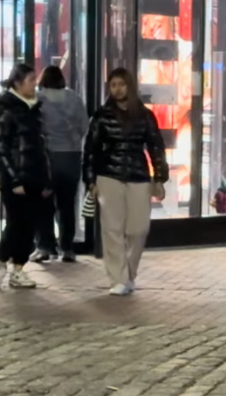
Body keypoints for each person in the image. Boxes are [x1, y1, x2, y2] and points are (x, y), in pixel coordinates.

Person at [83, 68, 168, 296]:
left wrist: (159, 177)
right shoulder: (101, 115)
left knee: (138, 229)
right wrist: (90, 180)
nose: (117, 88)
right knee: (112, 229)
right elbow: (90, 149)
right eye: (113, 85)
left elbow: (156, 146)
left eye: (121, 84)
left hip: (139, 175)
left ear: (129, 86)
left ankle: (129, 273)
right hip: (108, 175)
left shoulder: (145, 115)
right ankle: (118, 278)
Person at [0, 63, 52, 289]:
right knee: (16, 224)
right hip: (16, 178)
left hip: (35, 176)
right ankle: (3, 260)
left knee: (28, 225)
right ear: (18, 83)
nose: (35, 84)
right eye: (31, 80)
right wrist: (14, 178)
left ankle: (18, 270)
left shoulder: (35, 109)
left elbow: (42, 145)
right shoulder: (7, 109)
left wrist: (46, 177)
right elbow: (2, 148)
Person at [31, 65, 89, 263]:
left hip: (48, 158)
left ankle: (45, 247)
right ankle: (67, 248)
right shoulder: (74, 98)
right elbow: (84, 125)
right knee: (67, 205)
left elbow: (34, 128)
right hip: (72, 157)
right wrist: (71, 141)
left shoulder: (38, 99)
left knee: (44, 204)